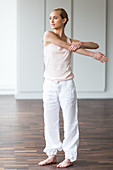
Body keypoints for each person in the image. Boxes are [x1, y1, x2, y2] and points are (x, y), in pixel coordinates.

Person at [38, 8, 108, 168]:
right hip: (49, 84)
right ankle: (52, 154)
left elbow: (94, 44)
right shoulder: (48, 35)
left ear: (64, 20)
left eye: (55, 18)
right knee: (50, 120)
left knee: (70, 121)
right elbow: (66, 46)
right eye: (50, 18)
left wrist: (81, 43)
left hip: (67, 84)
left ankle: (69, 156)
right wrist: (93, 55)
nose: (52, 21)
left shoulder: (71, 40)